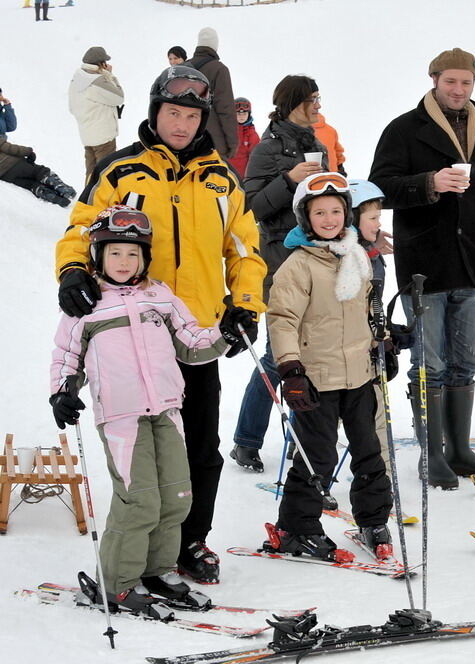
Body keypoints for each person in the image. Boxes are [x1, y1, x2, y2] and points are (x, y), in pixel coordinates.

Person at [54, 65, 266, 584]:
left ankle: (190, 540)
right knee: (141, 451)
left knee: (200, 447)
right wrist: (73, 270)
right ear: (155, 112)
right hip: (131, 335)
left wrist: (244, 303)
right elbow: (82, 227)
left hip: (196, 333)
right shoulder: (122, 170)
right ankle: (139, 547)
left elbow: (243, 248)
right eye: (173, 112)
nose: (181, 124)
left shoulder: (221, 178)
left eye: (192, 116)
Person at [49, 206, 230, 616]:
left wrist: (226, 330)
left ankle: (158, 570)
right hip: (121, 415)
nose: (124, 262)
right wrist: (62, 392)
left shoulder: (161, 296)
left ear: (145, 258)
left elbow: (193, 344)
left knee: (176, 497)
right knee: (139, 500)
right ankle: (116, 583)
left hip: (166, 409)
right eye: (114, 253)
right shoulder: (87, 304)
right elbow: (66, 355)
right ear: (97, 256)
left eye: (133, 254)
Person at [369, 47, 475, 490]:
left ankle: (459, 450)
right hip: (425, 264)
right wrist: (430, 183)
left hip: (473, 262)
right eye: (451, 81)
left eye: (466, 82)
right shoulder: (404, 129)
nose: (458, 90)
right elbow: (379, 187)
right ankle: (431, 455)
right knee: (429, 364)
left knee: (466, 362)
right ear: (434, 79)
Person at [264, 172, 393, 561]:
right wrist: (291, 369)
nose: (329, 219)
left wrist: (384, 340)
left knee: (369, 451)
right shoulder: (298, 265)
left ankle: (374, 520)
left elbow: (369, 310)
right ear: (305, 217)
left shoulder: (357, 256)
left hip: (360, 373)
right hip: (316, 378)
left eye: (336, 211)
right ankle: (296, 527)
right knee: (317, 456)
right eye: (319, 212)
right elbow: (282, 320)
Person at [230, 75, 327, 474]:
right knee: (277, 357)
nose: (318, 106)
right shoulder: (267, 150)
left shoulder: (319, 146)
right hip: (279, 262)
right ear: (293, 104)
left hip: (318, 262)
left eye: (319, 99)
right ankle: (246, 441)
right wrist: (289, 181)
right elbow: (250, 207)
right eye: (312, 100)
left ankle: (300, 440)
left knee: (312, 354)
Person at [348, 178, 400, 474]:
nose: (379, 224)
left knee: (377, 414)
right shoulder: (345, 257)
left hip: (370, 350)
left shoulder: (370, 253)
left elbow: (374, 305)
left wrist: (388, 335)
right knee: (334, 417)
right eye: (373, 218)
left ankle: (383, 478)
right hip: (345, 355)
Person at [0, 88, 76, 206]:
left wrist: (7, 106)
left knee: (30, 184)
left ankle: (52, 197)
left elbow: (11, 126)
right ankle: (64, 190)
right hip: (10, 162)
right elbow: (6, 147)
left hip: (4, 174)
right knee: (39, 171)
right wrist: (28, 151)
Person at [68, 46, 125, 182]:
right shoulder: (97, 81)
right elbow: (119, 97)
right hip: (103, 136)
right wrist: (110, 75)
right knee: (106, 173)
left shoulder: (77, 78)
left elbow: (72, 107)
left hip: (86, 134)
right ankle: (102, 196)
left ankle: (88, 194)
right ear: (101, 63)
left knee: (91, 172)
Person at [184, 28, 237, 160]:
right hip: (212, 141)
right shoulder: (219, 69)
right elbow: (225, 109)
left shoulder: (183, 68)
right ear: (215, 45)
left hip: (185, 137)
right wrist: (232, 143)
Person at [230, 96, 259, 178]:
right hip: (225, 174)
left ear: (249, 114)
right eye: (238, 113)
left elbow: (256, 158)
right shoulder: (226, 131)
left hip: (243, 177)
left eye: (244, 113)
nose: (241, 116)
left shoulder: (252, 134)